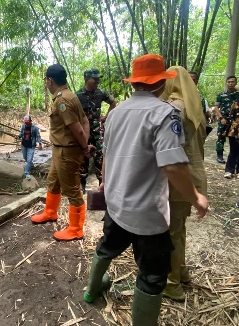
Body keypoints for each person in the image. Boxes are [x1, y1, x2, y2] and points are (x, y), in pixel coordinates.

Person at [82, 54, 208, 326]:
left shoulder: (115, 113)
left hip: (116, 204)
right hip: (148, 213)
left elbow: (107, 153)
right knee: (152, 275)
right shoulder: (165, 114)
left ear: (135, 82)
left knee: (107, 247)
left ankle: (92, 291)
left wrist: (104, 183)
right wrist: (196, 196)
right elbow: (173, 167)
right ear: (160, 82)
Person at [160, 66, 208, 301]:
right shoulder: (193, 105)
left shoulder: (172, 110)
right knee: (178, 229)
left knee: (170, 232)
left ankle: (172, 283)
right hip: (191, 174)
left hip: (176, 179)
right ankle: (182, 271)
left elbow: (171, 152)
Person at [30, 64, 93, 241]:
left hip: (67, 151)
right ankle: (50, 212)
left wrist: (83, 147)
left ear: (50, 81)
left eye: (46, 81)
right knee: (53, 181)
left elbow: (78, 128)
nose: (46, 84)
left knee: (72, 189)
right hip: (60, 150)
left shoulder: (62, 101)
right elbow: (85, 122)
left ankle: (76, 229)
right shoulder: (70, 95)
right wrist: (85, 145)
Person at [76, 68, 116, 193]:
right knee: (83, 156)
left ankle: (102, 184)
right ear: (86, 79)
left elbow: (113, 102)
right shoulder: (78, 95)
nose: (98, 81)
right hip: (84, 131)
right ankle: (81, 184)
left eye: (98, 78)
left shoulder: (101, 93)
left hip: (98, 130)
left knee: (100, 156)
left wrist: (106, 116)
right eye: (95, 78)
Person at [214, 76, 239, 163]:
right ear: (226, 83)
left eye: (232, 82)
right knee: (221, 137)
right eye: (229, 82)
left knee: (234, 138)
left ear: (235, 83)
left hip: (235, 120)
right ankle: (219, 156)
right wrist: (221, 118)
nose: (230, 83)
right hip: (224, 119)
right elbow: (216, 107)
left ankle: (233, 156)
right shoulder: (221, 95)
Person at [18, 115, 43, 180]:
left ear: (30, 121)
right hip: (24, 144)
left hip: (31, 146)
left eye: (27, 122)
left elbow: (38, 136)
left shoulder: (35, 128)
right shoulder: (23, 126)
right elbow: (21, 133)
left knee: (29, 159)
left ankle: (26, 173)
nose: (26, 123)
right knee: (25, 158)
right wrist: (18, 136)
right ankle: (31, 165)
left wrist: (40, 144)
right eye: (25, 122)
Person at [189, 70, 212, 135]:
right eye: (188, 79)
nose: (191, 82)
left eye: (193, 80)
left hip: (197, 128)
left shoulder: (200, 98)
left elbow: (205, 113)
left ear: (196, 81)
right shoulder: (177, 94)